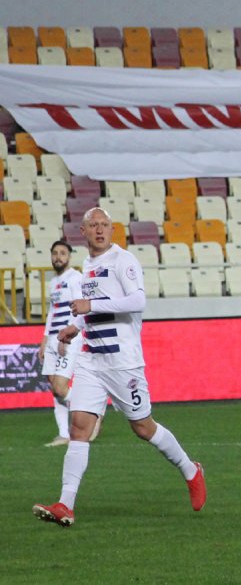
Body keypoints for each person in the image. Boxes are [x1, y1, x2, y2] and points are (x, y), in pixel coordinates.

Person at [32, 207, 205, 527]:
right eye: (93, 225)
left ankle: (191, 471)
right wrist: (76, 325)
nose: (99, 230)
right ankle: (65, 504)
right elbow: (92, 309)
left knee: (143, 428)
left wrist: (90, 307)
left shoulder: (123, 260)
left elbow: (137, 301)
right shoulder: (88, 266)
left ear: (112, 230)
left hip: (123, 362)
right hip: (92, 359)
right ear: (82, 232)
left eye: (104, 225)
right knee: (79, 427)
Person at [37, 240, 83, 447]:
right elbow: (52, 312)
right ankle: (64, 434)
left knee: (61, 386)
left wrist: (67, 336)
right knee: (54, 389)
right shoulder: (53, 282)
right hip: (53, 340)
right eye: (55, 253)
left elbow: (79, 310)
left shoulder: (75, 278)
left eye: (62, 253)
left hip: (68, 338)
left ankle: (92, 413)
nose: (58, 257)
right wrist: (44, 339)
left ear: (69, 256)